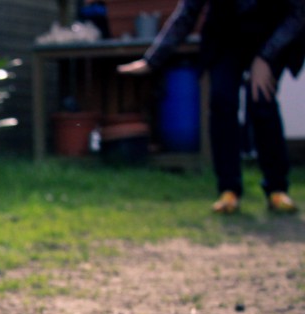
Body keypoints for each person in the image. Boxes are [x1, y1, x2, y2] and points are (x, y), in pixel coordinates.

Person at [119, 0, 305, 214]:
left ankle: (277, 189)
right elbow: (187, 13)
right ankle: (228, 190)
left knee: (262, 103)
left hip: (271, 38)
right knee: (222, 101)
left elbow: (298, 14)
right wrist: (152, 60)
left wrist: (266, 56)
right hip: (226, 39)